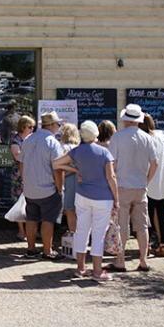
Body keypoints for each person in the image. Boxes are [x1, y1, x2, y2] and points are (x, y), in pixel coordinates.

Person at [53, 121, 119, 282]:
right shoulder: (104, 153)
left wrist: (75, 170)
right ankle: (97, 271)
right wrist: (116, 199)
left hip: (82, 195)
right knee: (98, 235)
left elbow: (56, 163)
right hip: (103, 198)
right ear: (95, 134)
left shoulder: (77, 151)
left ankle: (80, 268)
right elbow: (111, 177)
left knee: (81, 231)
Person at [107, 104, 158, 272]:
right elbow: (155, 163)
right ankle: (143, 260)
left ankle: (120, 260)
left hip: (122, 186)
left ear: (125, 120)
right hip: (140, 186)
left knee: (121, 225)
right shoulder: (147, 138)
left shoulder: (117, 137)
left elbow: (111, 164)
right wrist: (146, 180)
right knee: (142, 226)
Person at [20, 111, 65, 259]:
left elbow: (21, 164)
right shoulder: (53, 143)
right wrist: (60, 188)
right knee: (48, 220)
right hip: (47, 188)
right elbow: (58, 169)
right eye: (58, 124)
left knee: (31, 218)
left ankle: (31, 249)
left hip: (30, 188)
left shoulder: (27, 139)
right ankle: (47, 251)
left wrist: (24, 182)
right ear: (51, 125)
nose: (59, 126)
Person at [141, 114, 164, 258]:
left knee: (148, 215)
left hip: (149, 180)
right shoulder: (160, 136)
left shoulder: (145, 140)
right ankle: (163, 244)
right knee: (161, 212)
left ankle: (147, 245)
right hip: (162, 179)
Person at [9, 116, 36, 240]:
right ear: (23, 127)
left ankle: (32, 230)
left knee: (32, 202)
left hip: (32, 173)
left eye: (33, 127)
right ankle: (21, 231)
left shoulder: (32, 139)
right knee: (19, 202)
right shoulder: (16, 140)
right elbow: (17, 156)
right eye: (30, 127)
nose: (32, 129)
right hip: (19, 174)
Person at [58, 123, 81, 234]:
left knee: (70, 210)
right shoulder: (80, 147)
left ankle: (73, 233)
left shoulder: (62, 147)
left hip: (68, 181)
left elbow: (58, 166)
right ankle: (82, 234)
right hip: (82, 182)